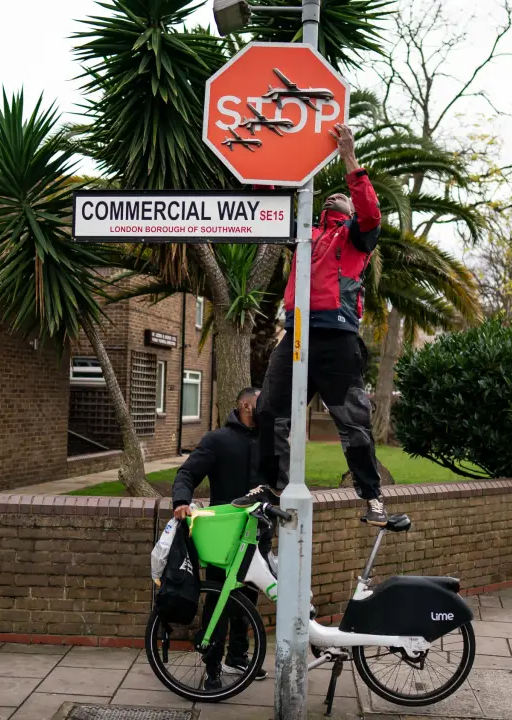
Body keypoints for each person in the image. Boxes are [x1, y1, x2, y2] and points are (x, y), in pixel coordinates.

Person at [232, 124, 388, 527]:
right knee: (268, 410)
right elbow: (267, 211)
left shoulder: (357, 236)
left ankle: (372, 497)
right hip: (297, 335)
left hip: (338, 340)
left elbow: (370, 212)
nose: (335, 195)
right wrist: (261, 166)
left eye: (343, 196)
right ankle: (270, 487)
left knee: (353, 421)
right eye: (332, 194)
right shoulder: (306, 232)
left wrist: (349, 158)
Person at [172, 388, 268, 687]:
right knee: (218, 601)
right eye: (261, 402)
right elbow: (187, 473)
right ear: (246, 406)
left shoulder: (271, 441)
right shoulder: (218, 440)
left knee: (248, 599)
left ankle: (237, 657)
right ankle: (212, 665)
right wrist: (181, 501)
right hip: (223, 538)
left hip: (258, 534)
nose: (268, 407)